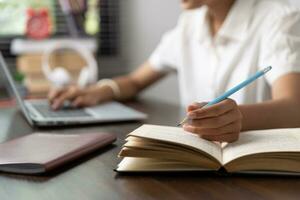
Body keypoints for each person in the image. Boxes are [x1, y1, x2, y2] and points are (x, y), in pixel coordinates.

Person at [48, 0, 300, 142]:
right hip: (196, 158)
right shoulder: (189, 23)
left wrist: (238, 116)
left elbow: (294, 107)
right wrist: (100, 90)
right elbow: (136, 81)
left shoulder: (280, 17)